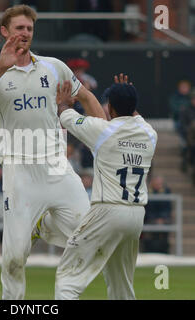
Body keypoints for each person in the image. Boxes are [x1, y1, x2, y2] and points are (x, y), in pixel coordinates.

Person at [0, 4, 105, 300]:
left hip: (57, 165)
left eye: (29, 28)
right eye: (19, 28)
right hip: (20, 171)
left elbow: (88, 97)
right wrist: (2, 68)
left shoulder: (54, 66)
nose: (25, 33)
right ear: (5, 32)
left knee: (91, 238)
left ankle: (42, 225)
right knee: (15, 256)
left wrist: (105, 137)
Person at [55, 75, 157, 300]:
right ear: (133, 106)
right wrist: (128, 96)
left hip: (107, 210)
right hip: (136, 216)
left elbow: (66, 116)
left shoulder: (102, 130)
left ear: (109, 107)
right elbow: (136, 116)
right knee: (122, 286)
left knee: (69, 279)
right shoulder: (150, 133)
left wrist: (62, 101)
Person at [142, 176, 172, 254]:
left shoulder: (166, 192)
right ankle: (148, 250)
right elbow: (147, 209)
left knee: (165, 228)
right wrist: (154, 219)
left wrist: (162, 219)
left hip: (163, 218)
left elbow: (167, 208)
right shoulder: (147, 192)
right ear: (152, 183)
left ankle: (164, 250)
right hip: (150, 218)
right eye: (157, 183)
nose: (158, 185)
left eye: (160, 183)